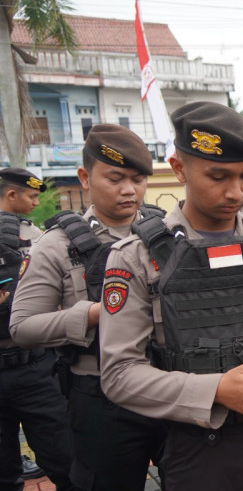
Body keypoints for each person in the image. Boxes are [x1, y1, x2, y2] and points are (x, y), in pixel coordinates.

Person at [99, 101, 243, 490]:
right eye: (218, 176)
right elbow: (119, 374)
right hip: (199, 449)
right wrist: (214, 391)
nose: (236, 192)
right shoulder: (136, 258)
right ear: (179, 169)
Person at [9, 125, 167, 491]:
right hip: (100, 397)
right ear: (85, 178)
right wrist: (97, 314)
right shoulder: (57, 245)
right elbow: (23, 326)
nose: (130, 190)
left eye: (138, 179)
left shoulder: (166, 236)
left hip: (169, 383)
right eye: (116, 178)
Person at [0, 168, 74, 491]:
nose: (35, 202)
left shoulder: (38, 237)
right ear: (11, 195)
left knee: (67, 463)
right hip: (29, 364)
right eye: (31, 196)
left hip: (35, 365)